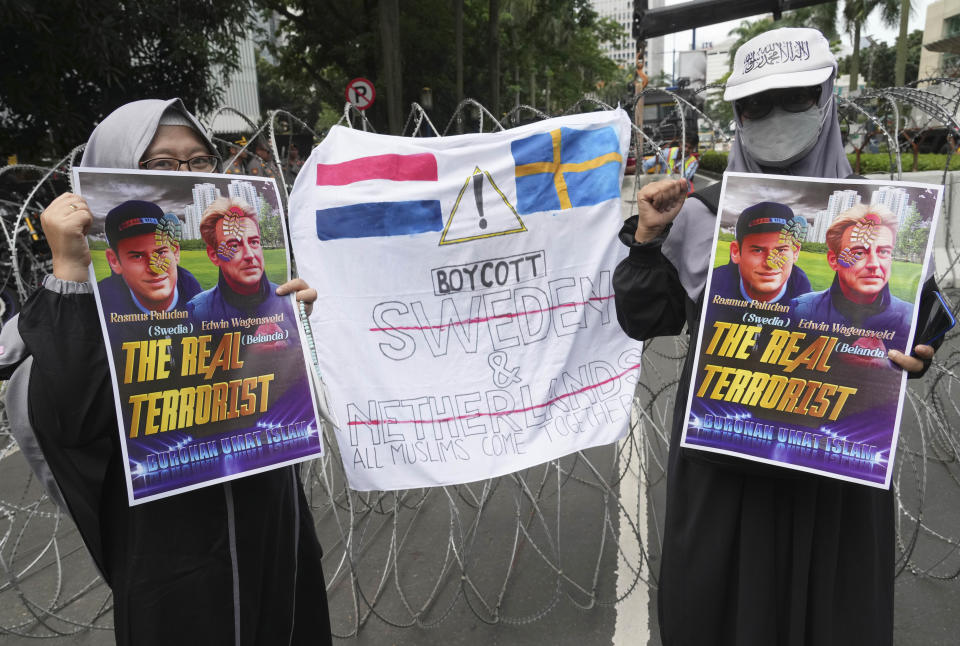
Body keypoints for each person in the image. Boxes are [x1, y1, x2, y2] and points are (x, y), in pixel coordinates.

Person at [613, 28, 938, 646]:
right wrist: (650, 237)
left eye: (796, 97)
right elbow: (643, 317)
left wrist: (918, 349)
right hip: (727, 467)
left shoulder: (881, 220)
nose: (777, 117)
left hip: (837, 470)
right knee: (718, 614)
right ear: (735, 113)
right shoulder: (702, 214)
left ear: (829, 96)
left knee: (832, 620)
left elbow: (922, 321)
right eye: (756, 105)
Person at [0, 99, 331, 646]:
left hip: (272, 526)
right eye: (161, 165)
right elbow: (75, 418)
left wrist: (289, 321)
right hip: (172, 553)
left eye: (199, 160)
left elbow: (280, 394)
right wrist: (70, 268)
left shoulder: (215, 291)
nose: (186, 173)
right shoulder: (79, 302)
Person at [791, 203, 911, 348]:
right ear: (833, 260)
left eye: (884, 252)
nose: (874, 264)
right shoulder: (799, 310)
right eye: (859, 253)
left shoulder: (911, 319)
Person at [187, 198, 296, 333]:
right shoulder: (197, 311)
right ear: (214, 255)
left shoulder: (290, 301)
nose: (249, 255)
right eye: (234, 245)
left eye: (254, 242)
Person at [98, 200, 202, 314]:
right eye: (137, 256)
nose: (155, 268)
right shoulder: (99, 304)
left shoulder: (196, 296)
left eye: (161, 252)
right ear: (114, 261)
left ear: (175, 252)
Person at [711, 201, 811, 303]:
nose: (770, 264)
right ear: (736, 252)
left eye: (781, 250)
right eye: (758, 250)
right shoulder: (711, 287)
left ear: (795, 252)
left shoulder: (807, 302)